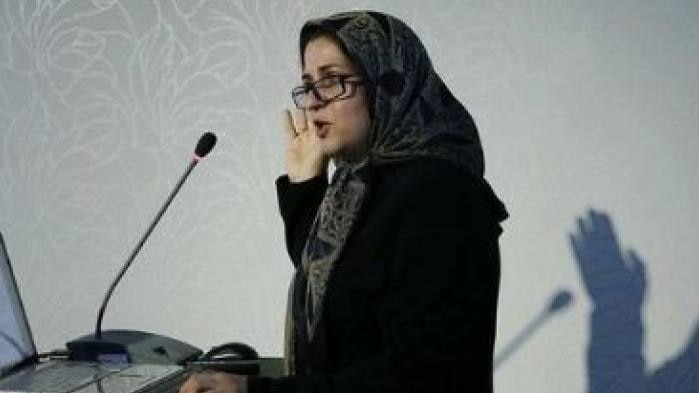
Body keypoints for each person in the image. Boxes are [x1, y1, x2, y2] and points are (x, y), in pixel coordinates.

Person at [179, 10, 507, 393]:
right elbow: (334, 309)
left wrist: (256, 391)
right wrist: (306, 188)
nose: (313, 101)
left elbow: (422, 376)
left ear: (386, 83)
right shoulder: (357, 184)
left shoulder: (441, 194)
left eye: (332, 80)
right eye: (307, 84)